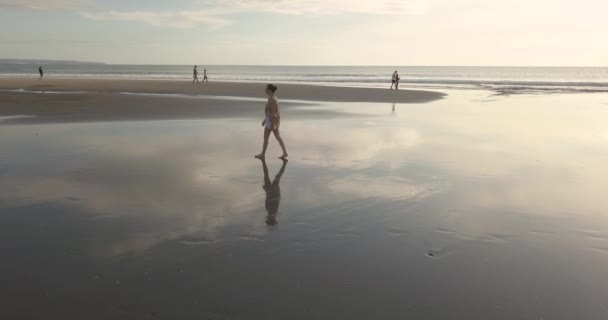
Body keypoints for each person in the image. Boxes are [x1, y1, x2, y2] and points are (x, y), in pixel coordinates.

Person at [255, 84, 288, 159]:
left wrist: (273, 124)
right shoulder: (271, 98)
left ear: (270, 90)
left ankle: (262, 154)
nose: (265, 90)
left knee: (266, 138)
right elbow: (269, 112)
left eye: (266, 89)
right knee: (277, 137)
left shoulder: (272, 99)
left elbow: (274, 113)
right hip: (270, 121)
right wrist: (264, 120)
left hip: (271, 122)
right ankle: (285, 152)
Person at [258, 157, 288, 226]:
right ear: (269, 219)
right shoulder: (271, 211)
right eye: (267, 220)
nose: (266, 219)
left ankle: (284, 164)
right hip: (272, 192)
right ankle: (283, 164)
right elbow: (270, 199)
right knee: (269, 175)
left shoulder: (272, 212)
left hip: (274, 193)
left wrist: (267, 192)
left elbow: (270, 199)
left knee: (276, 176)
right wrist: (267, 191)